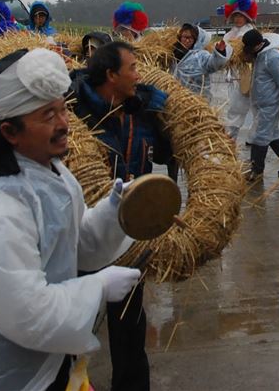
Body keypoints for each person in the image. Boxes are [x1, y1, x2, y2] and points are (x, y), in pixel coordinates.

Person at [0, 48, 140, 390]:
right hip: (5, 377)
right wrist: (97, 288)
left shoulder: (49, 171)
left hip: (46, 361)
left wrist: (116, 211)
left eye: (63, 109)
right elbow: (26, 313)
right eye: (48, 115)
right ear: (9, 131)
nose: (64, 124)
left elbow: (72, 243)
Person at [68, 40, 173, 391]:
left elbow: (166, 154)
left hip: (130, 238)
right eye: (132, 68)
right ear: (111, 75)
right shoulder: (74, 113)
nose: (138, 75)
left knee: (130, 332)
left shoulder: (142, 110)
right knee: (74, 328)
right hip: (84, 238)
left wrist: (167, 119)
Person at [240, 29, 279, 181]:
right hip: (260, 104)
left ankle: (256, 170)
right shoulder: (259, 55)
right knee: (272, 135)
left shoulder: (272, 57)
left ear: (257, 45)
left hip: (269, 105)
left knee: (259, 136)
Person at [222, 0, 259, 140]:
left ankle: (238, 138)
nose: (238, 19)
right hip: (235, 76)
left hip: (249, 75)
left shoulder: (250, 32)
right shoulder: (229, 35)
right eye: (235, 16)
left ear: (247, 17)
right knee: (236, 107)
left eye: (241, 16)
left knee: (251, 108)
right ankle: (241, 138)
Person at [172, 23, 230, 98]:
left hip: (197, 98)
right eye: (184, 37)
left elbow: (213, 64)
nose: (187, 40)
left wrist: (219, 52)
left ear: (196, 40)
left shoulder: (200, 55)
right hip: (177, 98)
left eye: (190, 38)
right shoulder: (172, 53)